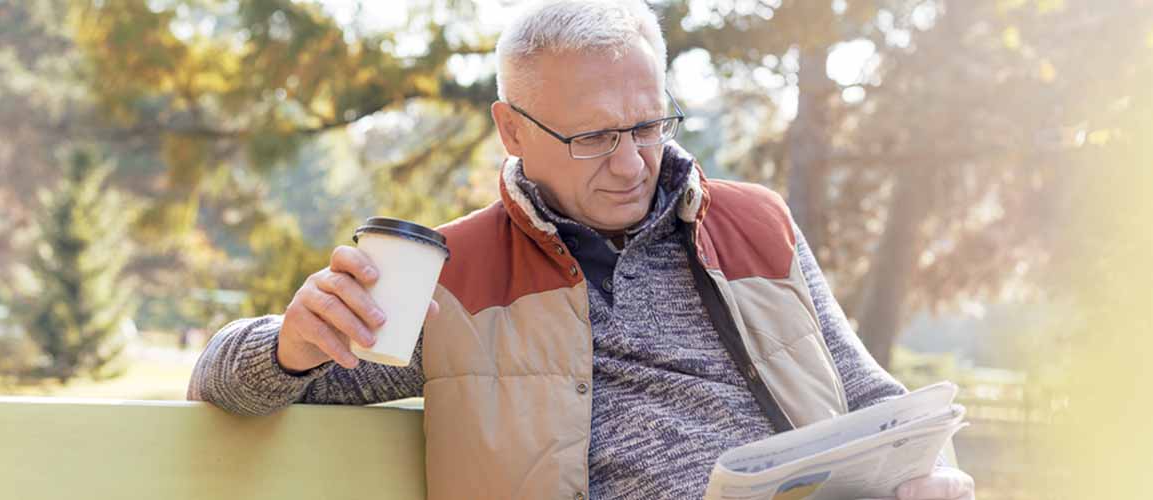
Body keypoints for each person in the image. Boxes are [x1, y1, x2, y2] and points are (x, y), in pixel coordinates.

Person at [188, 1, 975, 499]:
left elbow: (866, 393)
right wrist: (288, 345)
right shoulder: (456, 276)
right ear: (513, 131)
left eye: (646, 125)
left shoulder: (757, 221)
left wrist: (925, 468)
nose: (632, 162)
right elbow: (223, 381)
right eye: (595, 136)